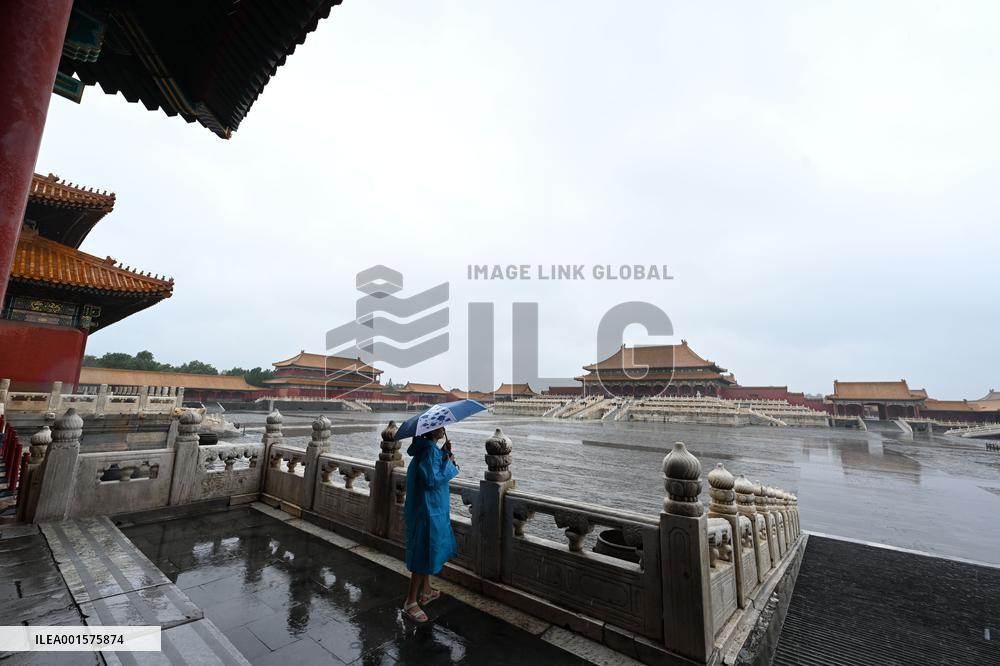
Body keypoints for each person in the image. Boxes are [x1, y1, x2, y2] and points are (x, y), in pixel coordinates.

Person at [402, 426, 459, 623]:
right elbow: (431, 480)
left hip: (426, 507)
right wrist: (450, 464)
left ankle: (426, 590)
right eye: (439, 427)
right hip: (428, 510)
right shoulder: (428, 450)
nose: (443, 429)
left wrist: (443, 453)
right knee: (423, 552)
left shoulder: (426, 448)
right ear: (430, 430)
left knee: (426, 550)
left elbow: (430, 469)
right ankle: (410, 602)